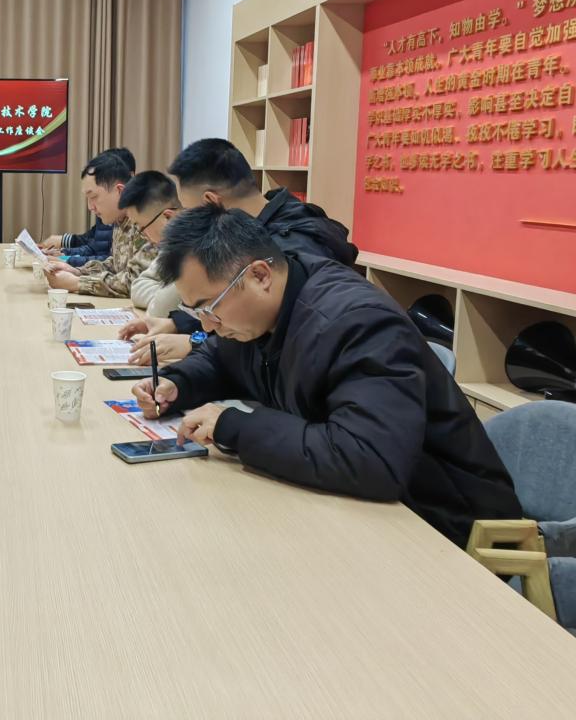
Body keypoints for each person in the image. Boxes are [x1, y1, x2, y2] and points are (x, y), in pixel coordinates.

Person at [132, 205, 521, 547]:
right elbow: (222, 359)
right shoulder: (260, 310)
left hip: (445, 526)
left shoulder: (358, 324)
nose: (206, 326)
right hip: (357, 509)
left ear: (260, 276)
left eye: (209, 308)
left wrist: (234, 427)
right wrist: (178, 384)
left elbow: (369, 459)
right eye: (197, 312)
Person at [120, 138, 359, 363]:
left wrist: (195, 343)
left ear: (211, 202)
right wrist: (177, 324)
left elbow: (270, 338)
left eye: (188, 211)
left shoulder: (292, 247)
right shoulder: (267, 224)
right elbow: (233, 305)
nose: (183, 220)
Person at [44, 152, 157, 303]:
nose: (90, 207)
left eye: (93, 197)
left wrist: (77, 283)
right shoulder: (120, 219)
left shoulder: (146, 222)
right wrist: (77, 271)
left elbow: (135, 283)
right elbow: (116, 265)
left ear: (120, 191)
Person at [115, 170, 185, 331]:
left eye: (142, 227)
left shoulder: (194, 247)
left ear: (168, 217)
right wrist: (166, 295)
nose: (143, 235)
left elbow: (158, 313)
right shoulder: (170, 246)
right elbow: (137, 287)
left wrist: (166, 298)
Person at [41, 147, 136, 262]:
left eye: (94, 197)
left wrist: (67, 260)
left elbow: (107, 259)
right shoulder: (118, 222)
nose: (90, 207)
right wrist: (65, 256)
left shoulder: (142, 226)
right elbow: (110, 262)